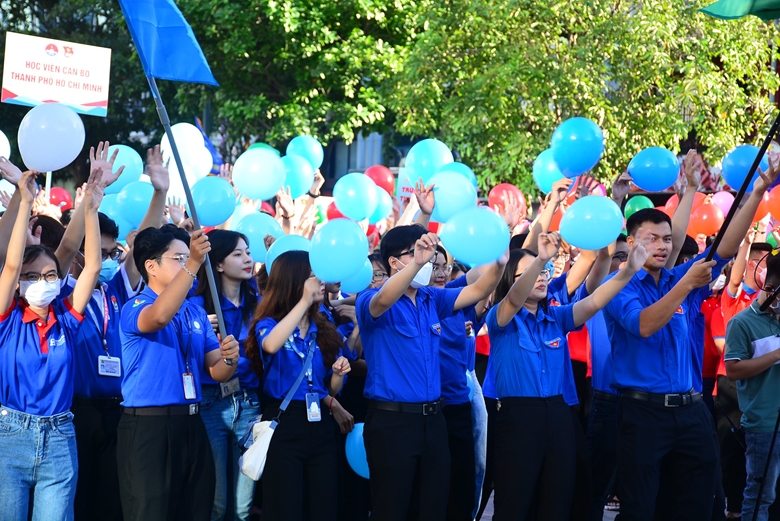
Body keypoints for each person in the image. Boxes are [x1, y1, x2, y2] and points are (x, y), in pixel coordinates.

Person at [602, 159, 776, 521]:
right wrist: (685, 284)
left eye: (668, 239)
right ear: (631, 242)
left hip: (692, 411)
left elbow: (724, 248)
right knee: (641, 508)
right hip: (643, 413)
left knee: (697, 505)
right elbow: (645, 325)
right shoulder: (619, 286)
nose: (663, 246)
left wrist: (758, 191)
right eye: (652, 239)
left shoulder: (679, 279)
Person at [488, 231, 648, 521]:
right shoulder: (501, 318)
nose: (541, 277)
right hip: (520, 419)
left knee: (558, 499)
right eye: (530, 273)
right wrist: (541, 259)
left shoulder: (556, 318)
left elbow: (595, 301)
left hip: (559, 414)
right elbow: (513, 300)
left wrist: (629, 271)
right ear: (511, 279)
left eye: (544, 272)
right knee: (515, 500)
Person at [356, 224, 505, 521]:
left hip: (434, 421)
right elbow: (383, 300)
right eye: (413, 253)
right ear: (394, 262)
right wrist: (417, 263)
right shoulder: (369, 299)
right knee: (393, 508)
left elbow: (478, 289)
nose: (425, 259)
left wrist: (500, 262)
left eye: (427, 252)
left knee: (434, 506)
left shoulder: (431, 299)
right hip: (392, 422)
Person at [58, 143, 167, 521]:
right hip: (75, 411)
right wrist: (91, 195)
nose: (100, 261)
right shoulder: (57, 294)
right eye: (94, 252)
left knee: (110, 502)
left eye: (106, 253)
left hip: (118, 412)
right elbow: (68, 245)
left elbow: (145, 247)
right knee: (74, 499)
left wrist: (160, 191)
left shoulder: (116, 290)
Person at [117, 225, 240, 521]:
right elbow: (158, 318)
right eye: (178, 258)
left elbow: (217, 371)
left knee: (196, 511)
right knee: (152, 513)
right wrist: (196, 262)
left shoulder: (194, 311)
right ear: (151, 266)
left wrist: (230, 358)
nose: (187, 264)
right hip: (149, 428)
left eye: (189, 258)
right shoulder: (136, 306)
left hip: (192, 424)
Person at [0, 170, 103, 521]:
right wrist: (25, 199)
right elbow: (12, 264)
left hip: (60, 438)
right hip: (9, 435)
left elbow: (91, 270)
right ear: (18, 284)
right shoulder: (7, 317)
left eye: (49, 276)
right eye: (32, 277)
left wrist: (89, 210)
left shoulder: (67, 318)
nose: (41, 282)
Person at [245, 250, 351, 521]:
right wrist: (304, 302)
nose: (318, 281)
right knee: (285, 507)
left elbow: (333, 388)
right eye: (312, 275)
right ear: (294, 280)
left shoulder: (324, 327)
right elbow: (270, 345)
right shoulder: (268, 323)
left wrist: (339, 372)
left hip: (319, 424)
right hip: (283, 423)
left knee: (323, 506)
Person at [189, 229, 260, 521]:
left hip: (249, 405)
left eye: (248, 252)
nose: (248, 259)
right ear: (217, 264)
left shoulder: (259, 303)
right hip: (211, 404)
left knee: (243, 508)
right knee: (216, 505)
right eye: (237, 253)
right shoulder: (196, 305)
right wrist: (199, 327)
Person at [429, 245, 491, 521]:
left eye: (444, 265)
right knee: (432, 491)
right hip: (426, 409)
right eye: (433, 266)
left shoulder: (454, 297)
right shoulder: (409, 300)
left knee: (464, 482)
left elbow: (489, 271)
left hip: (459, 405)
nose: (440, 272)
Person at [724, 248, 780, 521]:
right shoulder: (742, 323)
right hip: (763, 425)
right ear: (770, 288)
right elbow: (733, 370)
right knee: (760, 496)